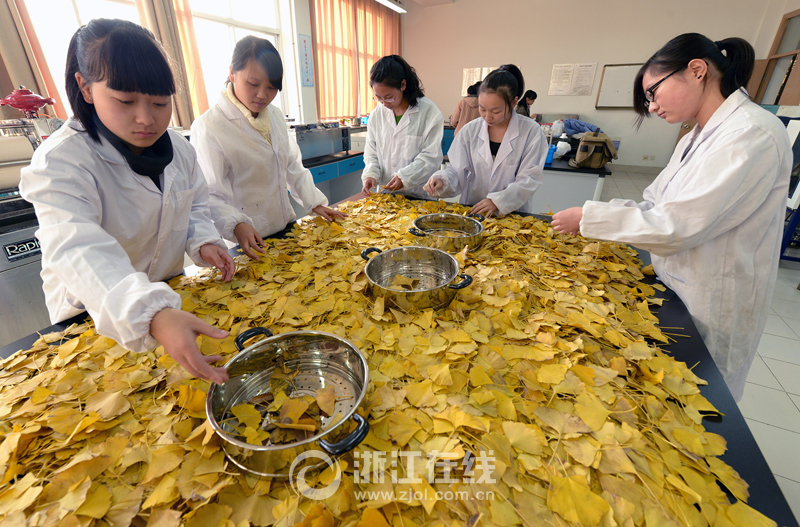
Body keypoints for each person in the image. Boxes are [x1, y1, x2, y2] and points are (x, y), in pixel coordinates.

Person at [551, 33, 791, 401]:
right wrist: (594, 216)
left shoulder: (750, 134)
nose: (652, 106)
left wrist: (590, 217)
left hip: (713, 298)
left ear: (696, 70)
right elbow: (655, 204)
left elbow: (677, 226)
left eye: (653, 92)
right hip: (678, 285)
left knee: (698, 400)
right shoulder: (697, 135)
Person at [19, 19, 236, 384]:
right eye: (125, 101)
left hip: (168, 299)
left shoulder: (179, 150)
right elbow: (78, 248)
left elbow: (194, 206)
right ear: (85, 88)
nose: (146, 119)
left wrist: (203, 241)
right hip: (95, 314)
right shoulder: (62, 160)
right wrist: (150, 314)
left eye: (160, 103)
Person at [191, 36, 345, 260]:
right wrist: (237, 224)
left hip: (285, 227)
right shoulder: (210, 126)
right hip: (248, 240)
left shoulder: (274, 115)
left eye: (271, 87)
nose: (262, 95)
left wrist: (315, 204)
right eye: (253, 84)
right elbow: (210, 194)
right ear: (232, 73)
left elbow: (292, 167)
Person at [422, 65, 547, 217]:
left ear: (514, 102)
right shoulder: (470, 131)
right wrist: (442, 180)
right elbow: (456, 169)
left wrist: (499, 201)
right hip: (473, 210)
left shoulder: (531, 132)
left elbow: (529, 179)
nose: (487, 117)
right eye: (482, 109)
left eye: (496, 111)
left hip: (511, 214)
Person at [361, 55, 444, 198]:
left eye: (389, 97)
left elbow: (431, 157)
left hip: (418, 196)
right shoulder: (377, 114)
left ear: (403, 85)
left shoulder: (429, 113)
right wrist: (370, 174)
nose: (384, 103)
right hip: (386, 196)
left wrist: (404, 178)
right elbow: (371, 153)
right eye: (379, 98)